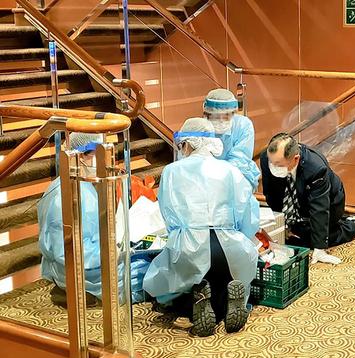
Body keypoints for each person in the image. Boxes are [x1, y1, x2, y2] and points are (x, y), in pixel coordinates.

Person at [143, 117, 259, 337]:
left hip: (190, 245)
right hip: (229, 247)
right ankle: (227, 306)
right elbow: (248, 213)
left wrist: (178, 236)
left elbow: (169, 215)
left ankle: (195, 301)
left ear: (187, 144)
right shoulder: (230, 170)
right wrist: (241, 237)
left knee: (171, 283)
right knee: (229, 276)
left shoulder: (171, 171)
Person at [38, 133, 149, 306]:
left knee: (146, 262)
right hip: (79, 267)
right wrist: (114, 250)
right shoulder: (63, 194)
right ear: (81, 156)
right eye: (98, 154)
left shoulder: (82, 184)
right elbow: (67, 251)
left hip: (94, 256)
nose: (104, 161)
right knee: (144, 273)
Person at [260, 133, 355, 265]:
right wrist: (282, 224)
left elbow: (319, 208)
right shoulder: (267, 158)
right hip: (295, 202)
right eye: (271, 162)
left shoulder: (316, 168)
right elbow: (271, 193)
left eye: (278, 164)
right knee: (288, 239)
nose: (272, 166)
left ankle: (352, 224)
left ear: (295, 159)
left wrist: (319, 248)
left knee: (308, 241)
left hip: (330, 202)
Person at [203, 88, 260, 190]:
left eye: (226, 116)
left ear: (233, 114)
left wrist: (218, 176)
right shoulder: (199, 127)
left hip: (237, 177)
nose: (221, 120)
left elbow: (240, 159)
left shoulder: (243, 125)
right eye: (216, 116)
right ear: (207, 115)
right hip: (207, 180)